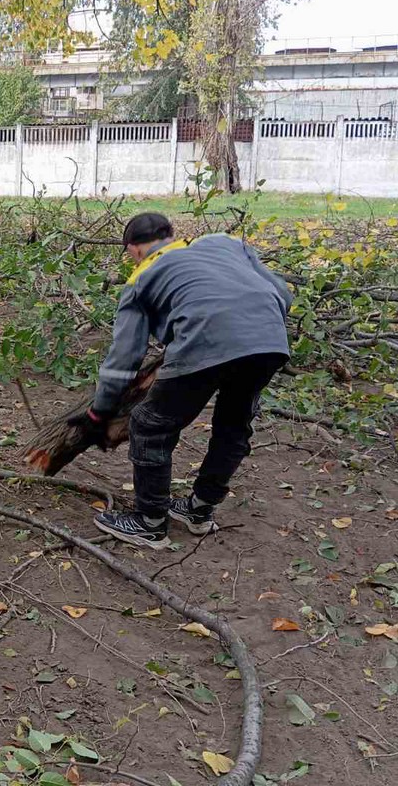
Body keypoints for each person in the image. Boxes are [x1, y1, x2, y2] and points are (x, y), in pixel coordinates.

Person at [72, 213, 293, 550]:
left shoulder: (142, 276)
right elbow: (281, 292)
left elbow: (124, 359)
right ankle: (200, 510)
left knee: (150, 425)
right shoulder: (226, 243)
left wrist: (100, 411)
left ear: (132, 249)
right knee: (234, 425)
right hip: (268, 339)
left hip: (204, 340)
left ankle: (150, 522)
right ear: (171, 235)